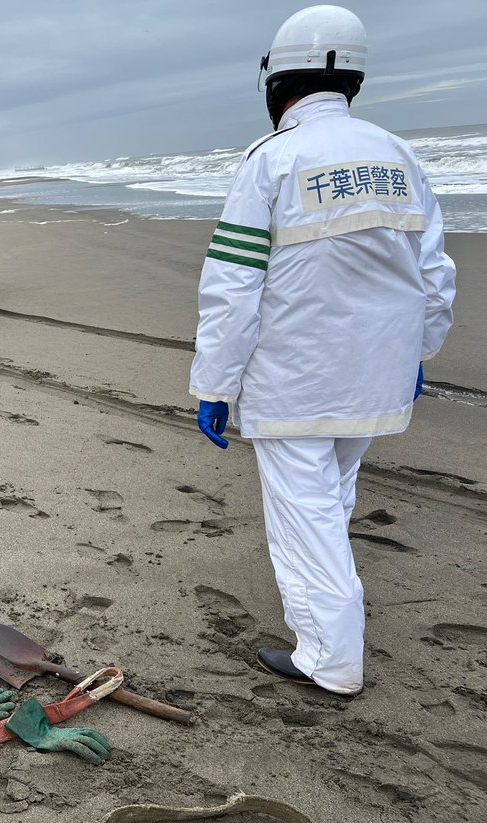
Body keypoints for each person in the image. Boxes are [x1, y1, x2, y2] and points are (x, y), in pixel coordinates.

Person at [188, 5, 456, 697]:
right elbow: (434, 275)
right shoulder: (398, 155)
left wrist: (214, 384)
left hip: (296, 380)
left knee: (305, 518)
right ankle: (332, 622)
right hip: (379, 375)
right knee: (331, 499)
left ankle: (331, 658)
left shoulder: (271, 160)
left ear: (276, 83)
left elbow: (233, 285)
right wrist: (418, 352)